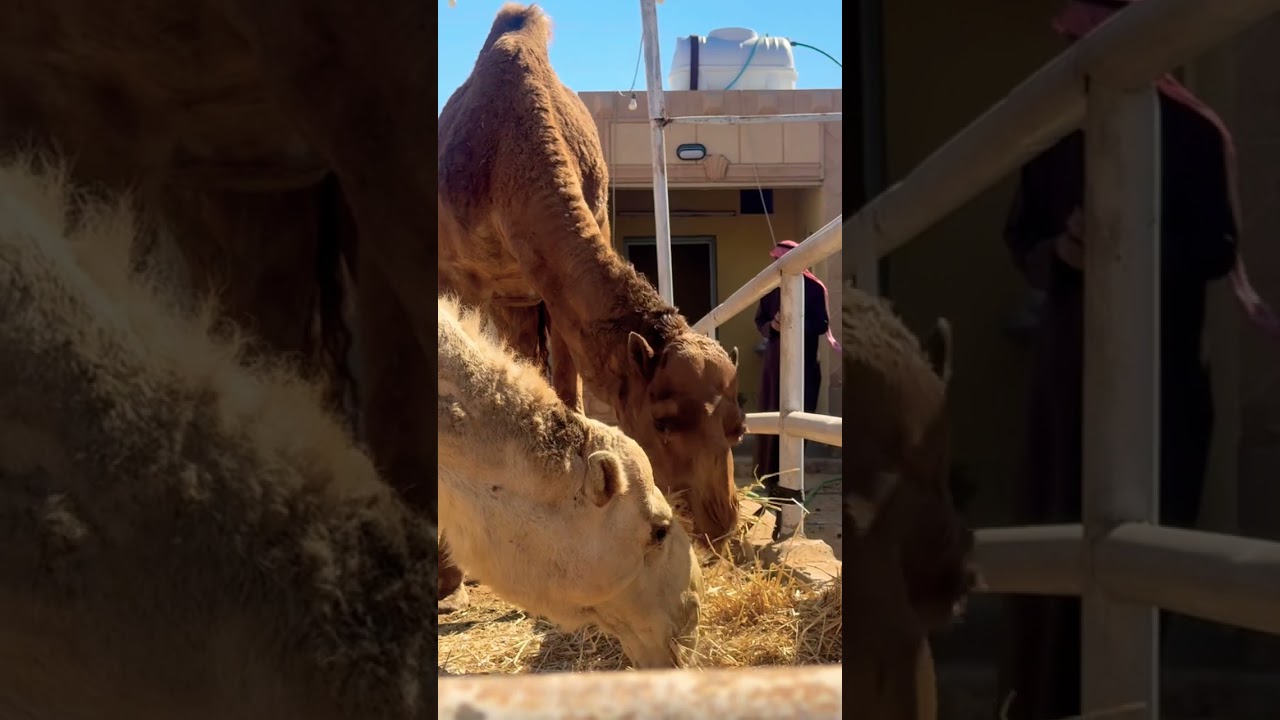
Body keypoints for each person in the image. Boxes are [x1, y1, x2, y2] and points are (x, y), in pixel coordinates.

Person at [998, 1, 1278, 716]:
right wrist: (1062, 252)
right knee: (1054, 556)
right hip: (1066, 381)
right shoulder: (1052, 129)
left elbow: (1216, 248)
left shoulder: (1190, 131)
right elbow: (1022, 237)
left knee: (1143, 561)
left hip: (1160, 384)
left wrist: (1132, 243)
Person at [752, 240, 841, 507]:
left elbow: (821, 325)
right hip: (774, 365)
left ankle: (791, 481)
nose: (778, 265)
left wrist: (795, 321)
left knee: (798, 421)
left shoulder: (814, 288)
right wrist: (774, 324)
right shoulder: (770, 287)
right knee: (771, 419)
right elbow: (760, 321)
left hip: (804, 365)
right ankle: (768, 481)